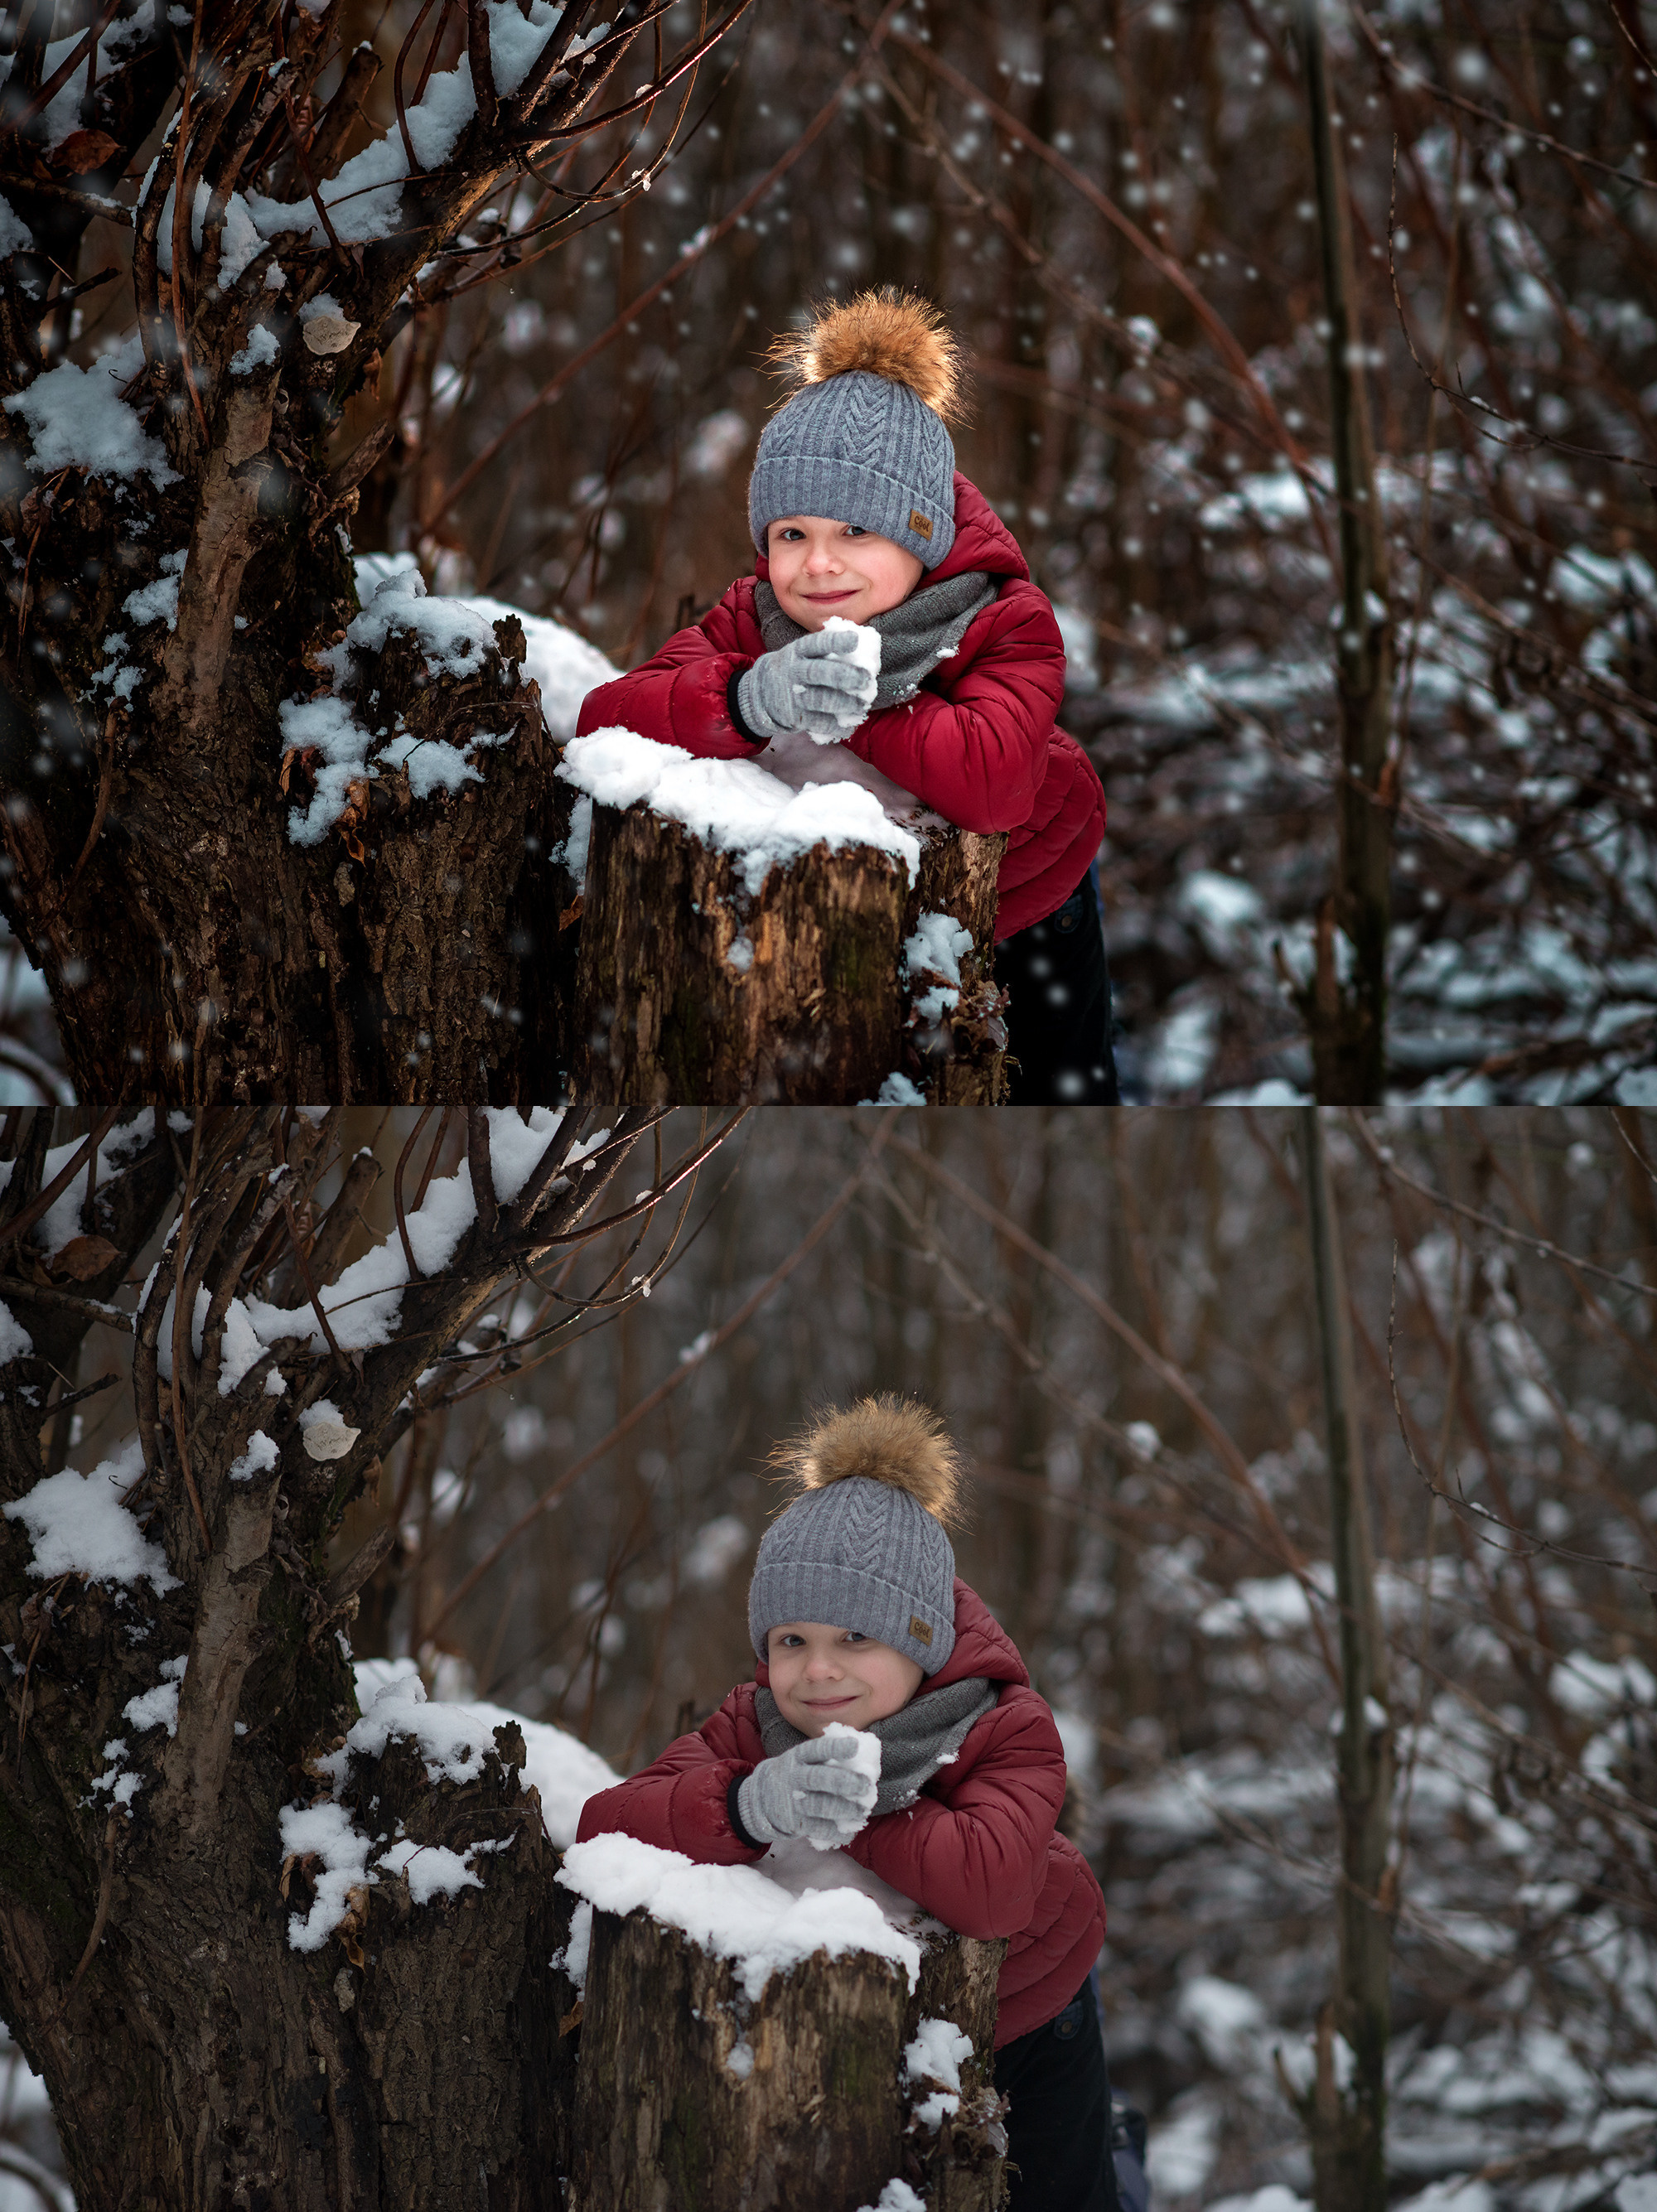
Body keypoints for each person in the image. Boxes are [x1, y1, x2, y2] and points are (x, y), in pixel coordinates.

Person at [576, 1397, 1126, 2210]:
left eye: (856, 1639)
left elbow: (993, 1887)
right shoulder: (753, 1724)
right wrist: (748, 1805)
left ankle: (1125, 2156)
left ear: (921, 1640)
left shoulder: (1003, 1725)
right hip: (856, 2037)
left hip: (1029, 2017)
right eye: (791, 1641)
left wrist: (853, 1805)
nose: (818, 1671)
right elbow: (606, 1825)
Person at [573, 287, 1118, 1104]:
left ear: (922, 534)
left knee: (1053, 1101)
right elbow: (607, 717)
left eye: (856, 531)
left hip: (1027, 905)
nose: (818, 564)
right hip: (848, 922)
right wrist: (749, 698)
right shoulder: (753, 618)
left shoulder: (1000, 619)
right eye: (791, 534)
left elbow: (995, 780)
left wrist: (858, 701)